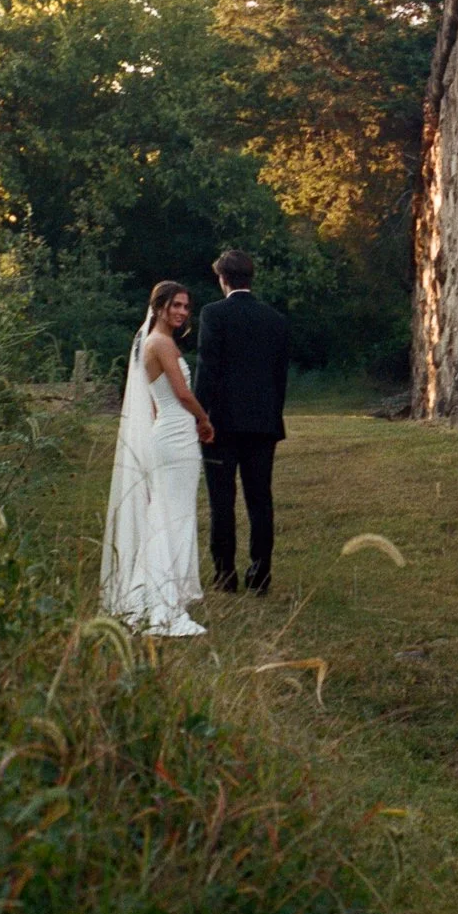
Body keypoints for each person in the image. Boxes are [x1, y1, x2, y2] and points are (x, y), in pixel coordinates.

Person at [99, 282, 214, 637]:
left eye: (186, 307)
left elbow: (154, 399)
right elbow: (182, 394)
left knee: (166, 513)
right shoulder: (161, 343)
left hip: (169, 433)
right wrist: (204, 419)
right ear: (159, 306)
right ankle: (163, 602)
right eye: (175, 305)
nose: (182, 312)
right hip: (177, 436)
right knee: (172, 515)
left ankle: (151, 593)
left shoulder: (151, 343)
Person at [195, 248, 290, 595]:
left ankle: (225, 575)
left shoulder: (213, 314)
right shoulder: (275, 319)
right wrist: (272, 414)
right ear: (251, 277)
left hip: (221, 424)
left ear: (223, 279)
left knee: (222, 501)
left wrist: (200, 416)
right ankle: (260, 575)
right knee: (260, 500)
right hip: (263, 424)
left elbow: (208, 368)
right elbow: (280, 376)